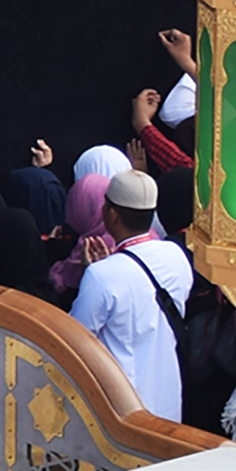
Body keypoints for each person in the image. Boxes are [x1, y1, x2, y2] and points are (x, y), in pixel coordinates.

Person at [68, 173, 187, 421]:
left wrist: (94, 273)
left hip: (124, 406)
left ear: (112, 214)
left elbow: (75, 336)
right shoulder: (176, 255)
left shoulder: (101, 275)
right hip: (168, 397)